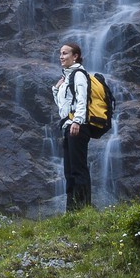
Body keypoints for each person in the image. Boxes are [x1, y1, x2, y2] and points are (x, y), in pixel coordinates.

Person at [53, 39, 92, 210]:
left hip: (77, 126)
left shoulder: (79, 74)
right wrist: (56, 89)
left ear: (75, 56)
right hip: (68, 125)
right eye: (60, 53)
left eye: (65, 53)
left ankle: (83, 209)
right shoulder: (67, 77)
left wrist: (77, 120)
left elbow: (82, 99)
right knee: (69, 171)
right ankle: (72, 210)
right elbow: (63, 107)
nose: (61, 57)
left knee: (78, 169)